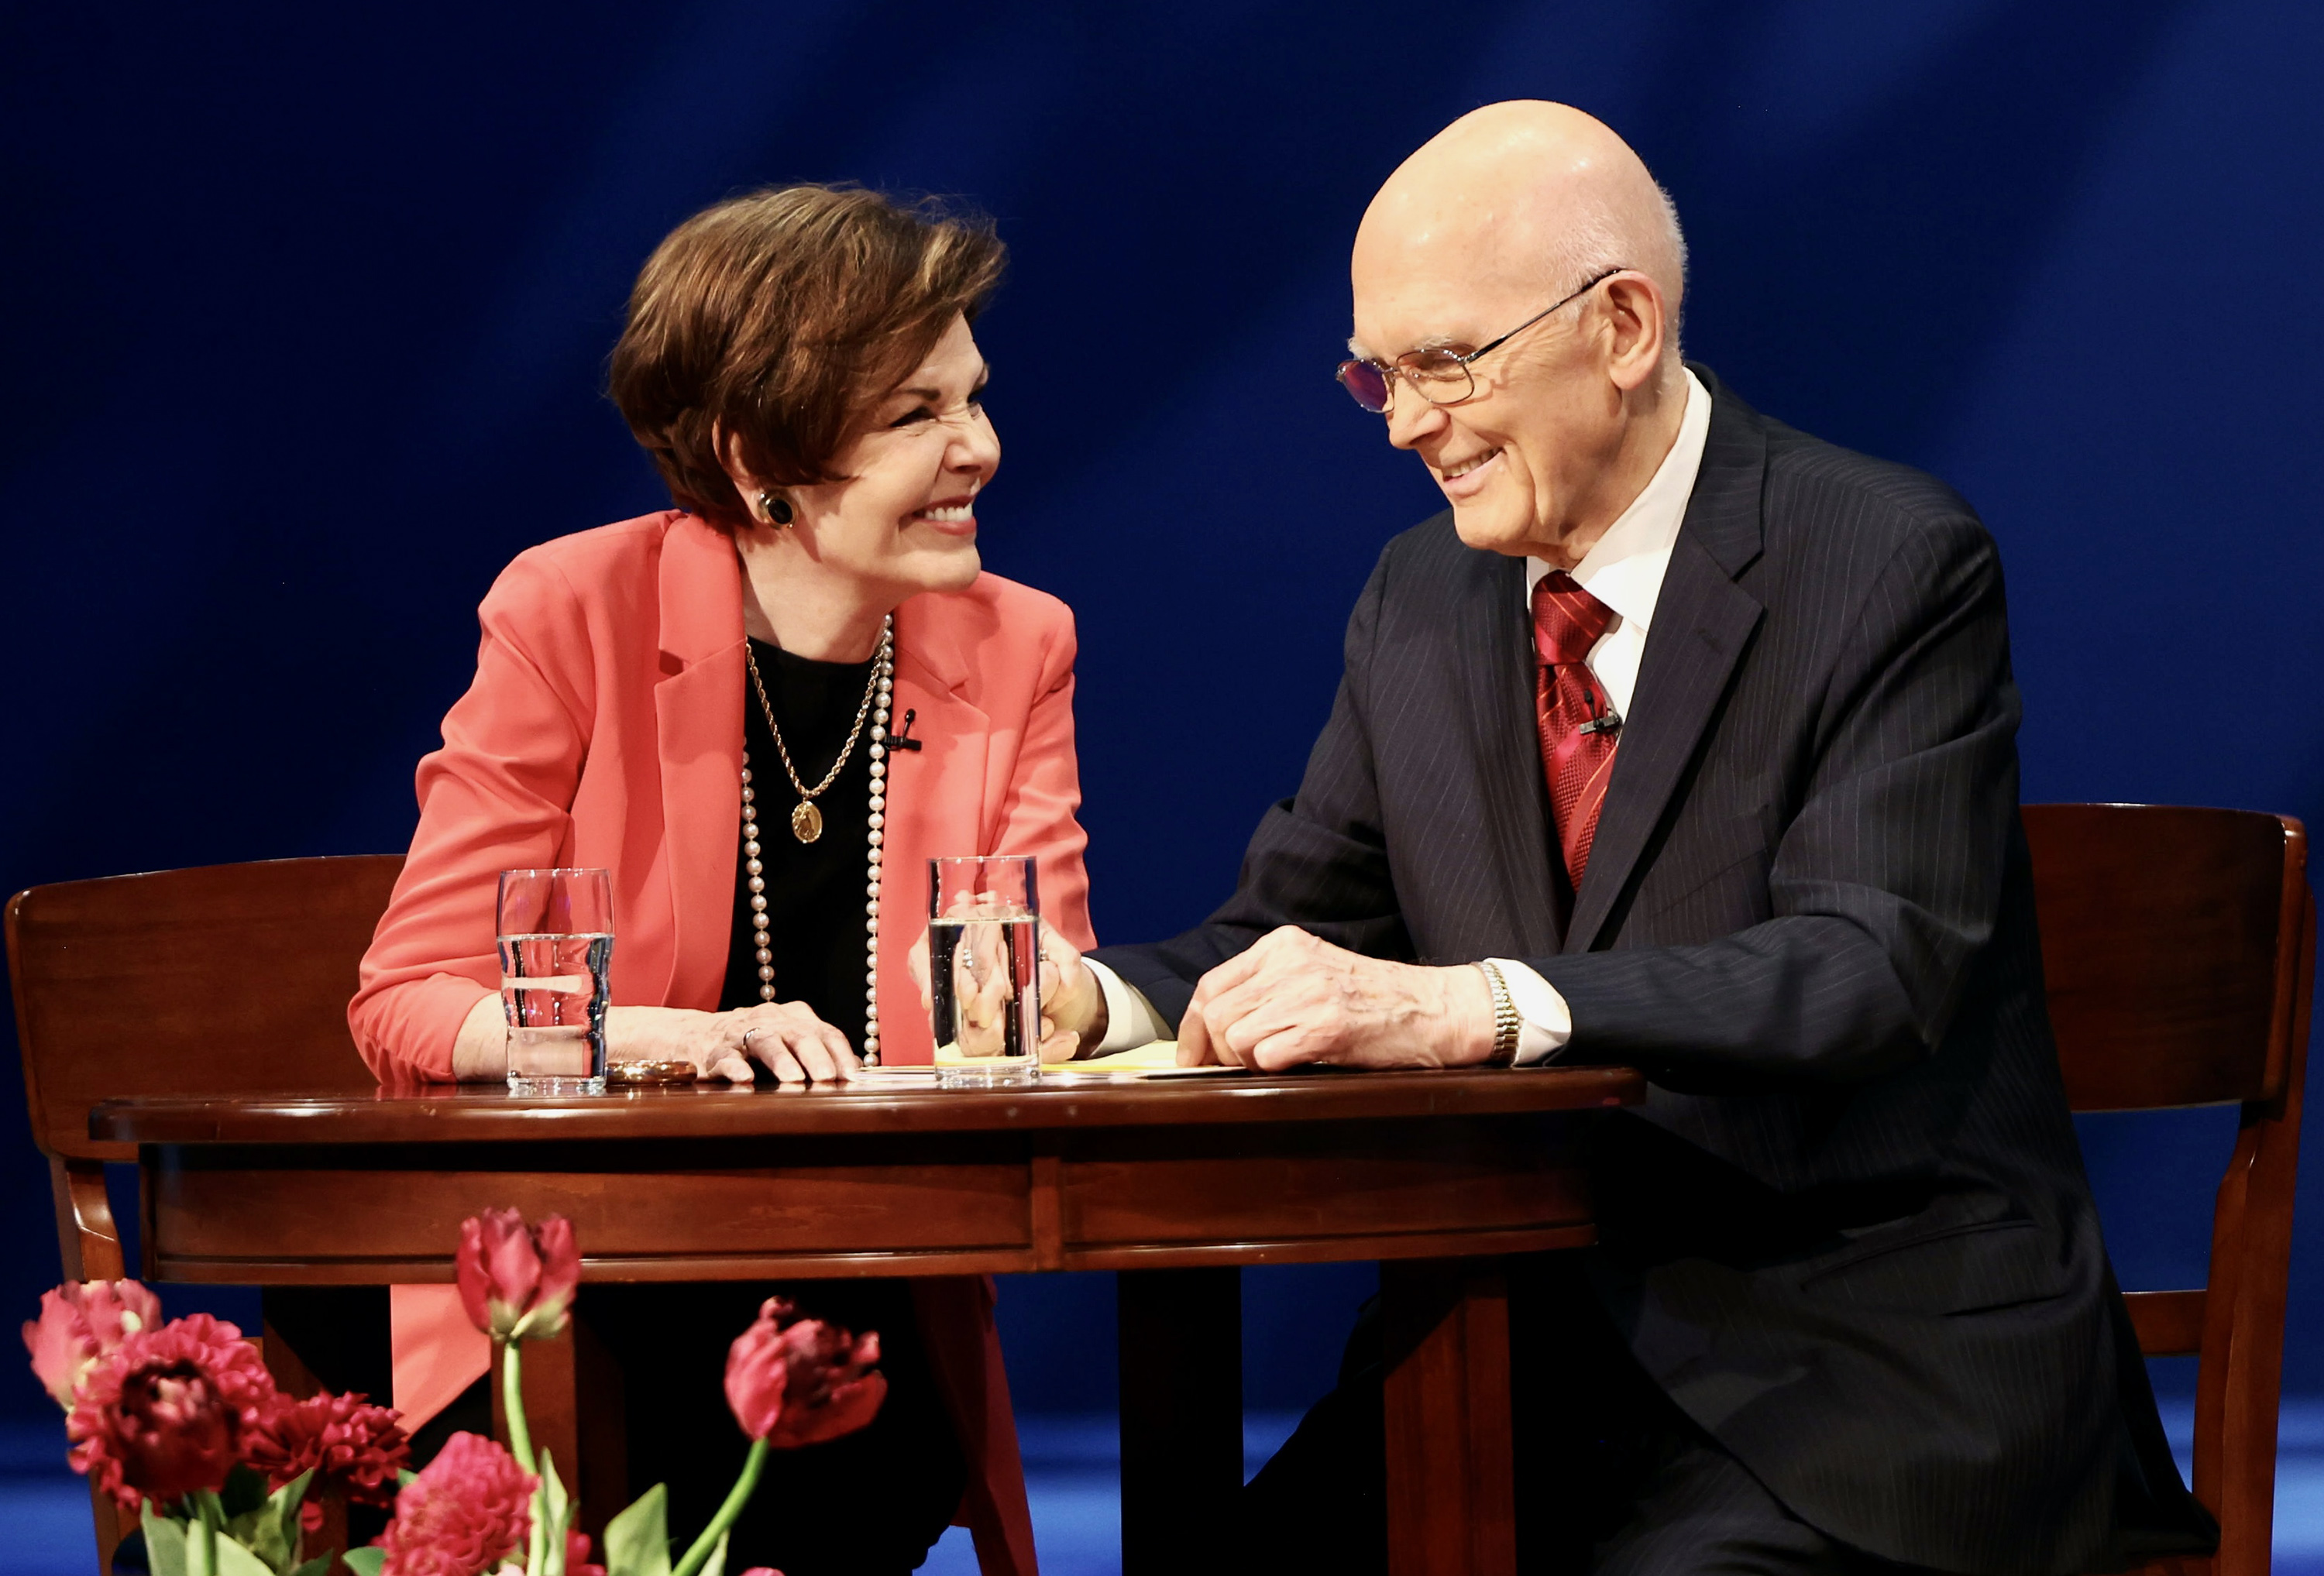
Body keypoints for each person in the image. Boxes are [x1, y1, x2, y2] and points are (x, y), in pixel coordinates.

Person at [1052, 104, 2216, 1575]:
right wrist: (1091, 999)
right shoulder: (1418, 601)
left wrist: (1481, 1006)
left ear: (1619, 325)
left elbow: (1869, 964)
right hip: (1512, 1349)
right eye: (1378, 375)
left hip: (1857, 1372)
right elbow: (1300, 935)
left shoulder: (1886, 559)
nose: (1406, 422)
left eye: (1445, 363)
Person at [346, 184, 1104, 1576]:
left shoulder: (1018, 645)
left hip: (858, 1316)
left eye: (975, 398)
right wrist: (663, 1041)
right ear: (760, 454)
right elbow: (406, 1004)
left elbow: (1032, 995)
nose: (981, 449)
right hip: (583, 1311)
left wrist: (1076, 1003)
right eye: (916, 416)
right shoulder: (572, 610)